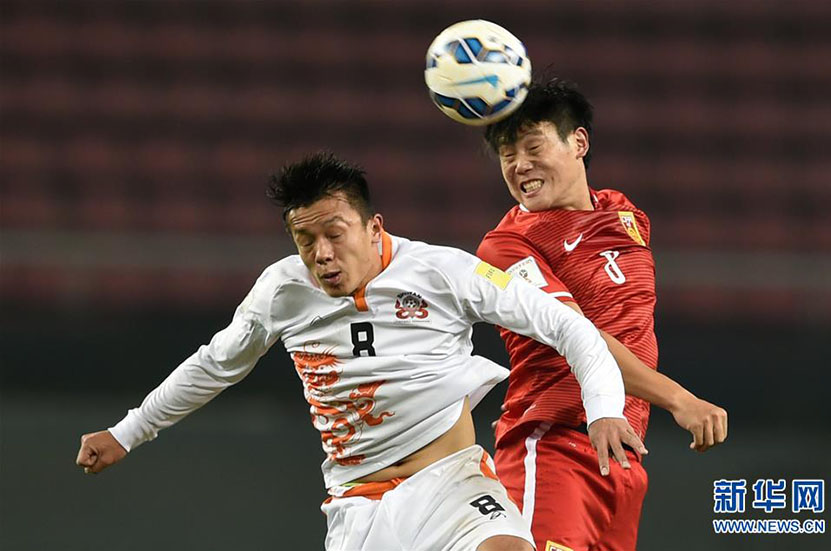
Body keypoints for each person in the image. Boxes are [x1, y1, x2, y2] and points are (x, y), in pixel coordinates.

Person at [76, 152, 648, 551]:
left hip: (452, 482)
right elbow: (213, 365)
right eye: (305, 241)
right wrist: (128, 432)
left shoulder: (444, 272)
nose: (321, 254)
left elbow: (568, 327)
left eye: (335, 234)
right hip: (359, 504)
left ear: (374, 227)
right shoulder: (281, 291)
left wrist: (603, 409)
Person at [476, 80, 728, 551]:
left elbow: (631, 325)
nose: (519, 166)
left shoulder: (625, 215)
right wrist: (678, 399)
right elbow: (580, 335)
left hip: (622, 456)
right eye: (508, 155)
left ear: (579, 142)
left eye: (533, 147)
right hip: (553, 448)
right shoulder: (507, 247)